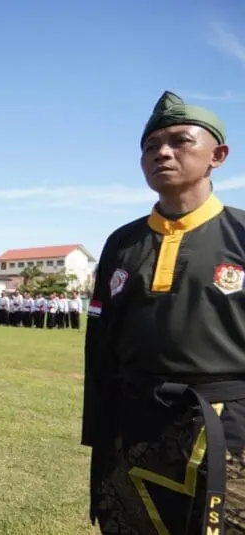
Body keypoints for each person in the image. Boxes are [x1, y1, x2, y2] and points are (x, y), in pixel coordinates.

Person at [82, 90, 245, 534]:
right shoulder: (123, 242)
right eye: (150, 146)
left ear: (218, 156)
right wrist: (100, 432)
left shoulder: (240, 233)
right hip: (134, 422)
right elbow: (100, 346)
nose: (162, 153)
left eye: (180, 141)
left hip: (227, 428)